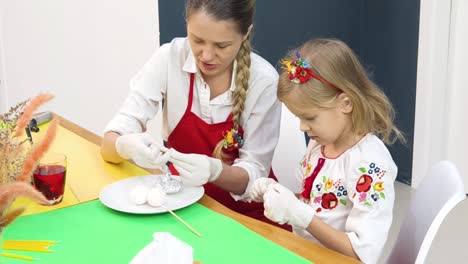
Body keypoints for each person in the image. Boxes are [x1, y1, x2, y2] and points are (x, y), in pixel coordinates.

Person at [100, 0, 287, 229]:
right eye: (197, 40)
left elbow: (254, 174)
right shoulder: (169, 59)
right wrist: (124, 145)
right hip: (185, 204)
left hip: (249, 215)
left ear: (245, 33)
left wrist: (214, 171)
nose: (206, 55)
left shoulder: (263, 81)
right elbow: (107, 146)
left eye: (222, 45)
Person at [249, 38, 406, 263]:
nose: (302, 127)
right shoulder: (319, 145)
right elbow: (316, 203)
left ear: (346, 103)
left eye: (310, 117)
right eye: (298, 118)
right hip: (304, 253)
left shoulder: (370, 166)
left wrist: (301, 216)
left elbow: (361, 254)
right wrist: (276, 194)